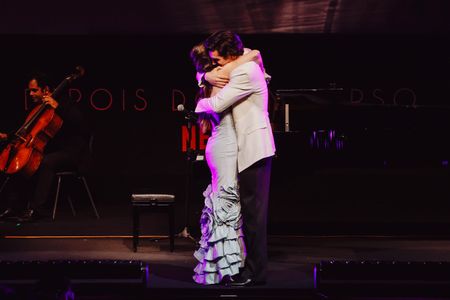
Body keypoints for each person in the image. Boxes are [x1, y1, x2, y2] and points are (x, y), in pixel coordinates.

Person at [195, 31, 276, 286]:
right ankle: (249, 268)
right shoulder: (244, 65)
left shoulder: (245, 72)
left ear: (231, 55)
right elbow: (216, 72)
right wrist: (203, 76)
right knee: (250, 214)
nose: (216, 64)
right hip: (247, 148)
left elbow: (217, 104)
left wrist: (199, 104)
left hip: (254, 148)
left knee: (254, 216)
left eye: (217, 59)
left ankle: (256, 273)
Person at [0, 72, 89, 222]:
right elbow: (27, 132)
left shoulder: (64, 103)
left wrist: (58, 107)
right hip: (51, 150)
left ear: (46, 90)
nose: (31, 94)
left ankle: (37, 209)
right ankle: (14, 207)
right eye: (30, 91)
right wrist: (8, 137)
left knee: (46, 162)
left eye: (35, 90)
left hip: (72, 152)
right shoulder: (39, 109)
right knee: (19, 161)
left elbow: (81, 123)